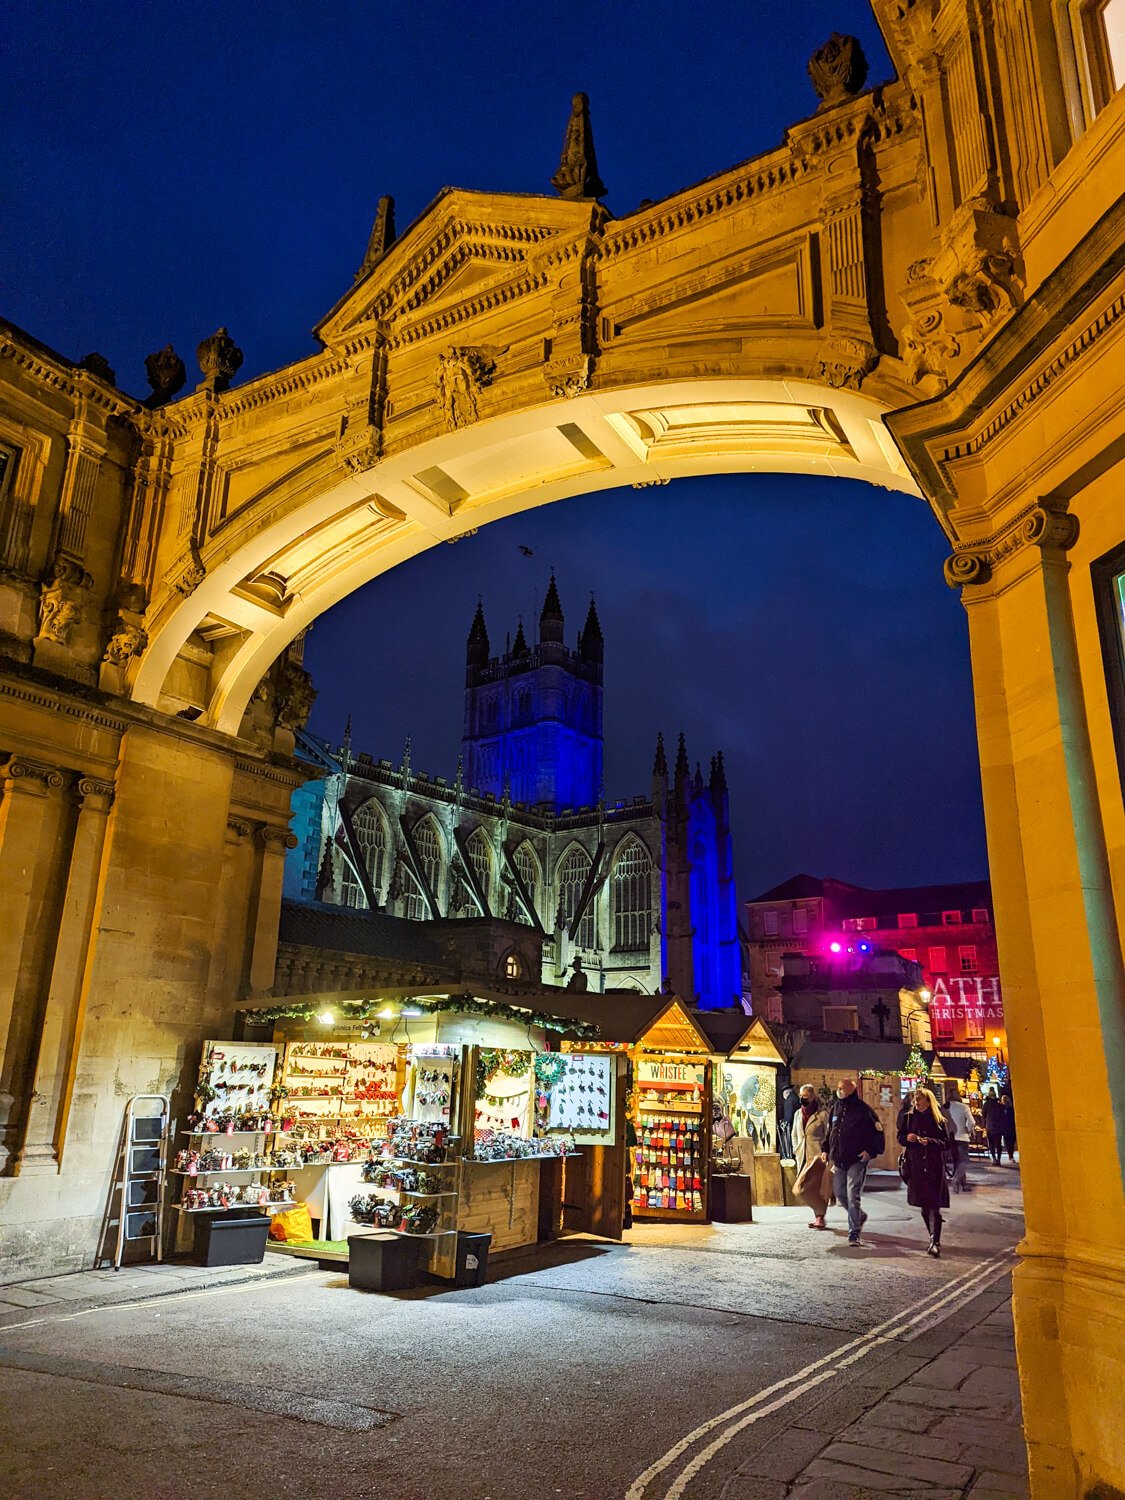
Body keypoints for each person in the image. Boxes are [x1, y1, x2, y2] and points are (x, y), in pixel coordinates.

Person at [821, 1078, 884, 1246]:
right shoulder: (836, 1108)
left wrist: (870, 1151)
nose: (839, 1090)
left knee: (852, 1195)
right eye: (838, 1088)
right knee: (839, 1193)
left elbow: (877, 1133)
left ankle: (854, 1233)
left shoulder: (863, 1110)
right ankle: (859, 1216)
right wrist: (825, 1149)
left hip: (856, 1159)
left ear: (852, 1089)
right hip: (839, 1158)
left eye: (843, 1088)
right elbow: (830, 1131)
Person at [899, 1086, 952, 1256]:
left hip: (933, 1166)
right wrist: (907, 1138)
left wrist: (929, 1141)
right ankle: (932, 1236)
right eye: (915, 1098)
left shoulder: (938, 1119)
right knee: (923, 1207)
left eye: (919, 1098)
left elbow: (946, 1143)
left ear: (928, 1101)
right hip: (915, 1167)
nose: (916, 1101)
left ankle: (935, 1242)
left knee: (934, 1207)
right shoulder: (908, 1118)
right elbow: (900, 1137)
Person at [792, 1085, 831, 1228]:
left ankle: (820, 1216)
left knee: (815, 1188)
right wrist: (796, 1149)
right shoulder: (798, 1114)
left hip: (817, 1157)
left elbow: (829, 1135)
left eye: (806, 1097)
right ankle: (819, 1214)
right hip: (802, 1155)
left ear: (813, 1097)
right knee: (799, 1189)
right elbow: (794, 1134)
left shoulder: (822, 1115)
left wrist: (825, 1152)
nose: (803, 1099)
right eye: (801, 1096)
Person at [943, 1083, 974, 1192]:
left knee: (957, 1160)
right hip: (962, 1136)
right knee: (964, 1160)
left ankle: (963, 1183)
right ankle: (957, 1179)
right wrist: (968, 1130)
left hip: (950, 1137)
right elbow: (972, 1122)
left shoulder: (945, 1107)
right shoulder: (963, 1107)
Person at [778, 1085, 801, 1161]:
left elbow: (789, 1116)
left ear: (786, 1093)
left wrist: (784, 1122)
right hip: (796, 1125)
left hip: (790, 1127)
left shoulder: (789, 1101)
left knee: (786, 1146)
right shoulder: (795, 1098)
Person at [982, 1090, 1005, 1164]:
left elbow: (983, 1115)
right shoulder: (999, 1105)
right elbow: (1003, 1116)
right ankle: (999, 1159)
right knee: (998, 1143)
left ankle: (994, 1158)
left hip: (990, 1126)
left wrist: (984, 1124)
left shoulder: (986, 1105)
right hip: (998, 1127)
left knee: (991, 1143)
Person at [1000, 1093, 1017, 1162]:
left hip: (1006, 1127)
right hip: (1011, 1127)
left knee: (1008, 1142)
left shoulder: (1002, 1108)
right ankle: (1011, 1155)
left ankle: (1010, 1155)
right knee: (1011, 1142)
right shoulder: (1011, 1108)